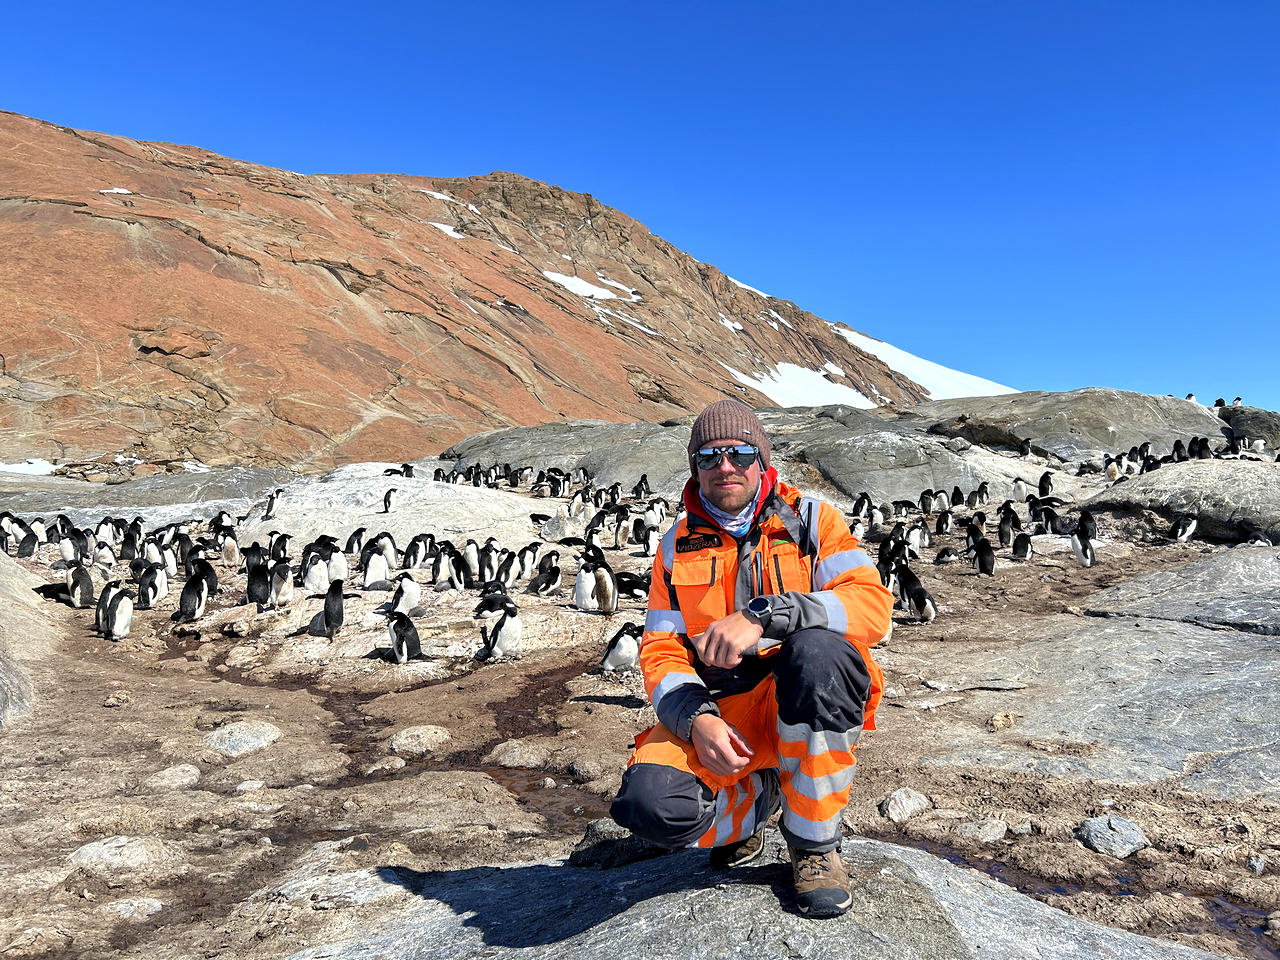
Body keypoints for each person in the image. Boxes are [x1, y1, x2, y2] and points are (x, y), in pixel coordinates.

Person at [610, 399, 893, 918]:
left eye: (739, 453)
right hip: (727, 709)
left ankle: (812, 844)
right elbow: (661, 647)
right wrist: (695, 720)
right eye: (709, 457)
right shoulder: (676, 544)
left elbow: (873, 607)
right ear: (695, 466)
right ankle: (759, 799)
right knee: (650, 806)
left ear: (761, 458)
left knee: (821, 650)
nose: (725, 467)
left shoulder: (810, 520)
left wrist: (768, 615)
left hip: (799, 694)